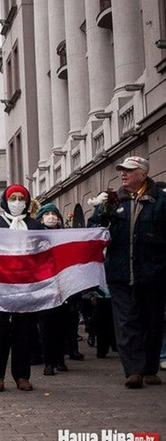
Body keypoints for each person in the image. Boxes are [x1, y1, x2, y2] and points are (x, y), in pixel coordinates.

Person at [88, 156, 166, 388]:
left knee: (152, 323)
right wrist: (100, 216)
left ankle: (150, 368)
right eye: (122, 170)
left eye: (130, 170)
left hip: (152, 274)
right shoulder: (111, 202)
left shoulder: (160, 201)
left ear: (143, 174)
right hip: (120, 275)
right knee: (125, 323)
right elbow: (94, 230)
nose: (124, 174)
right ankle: (133, 371)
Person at [0, 185, 44, 392]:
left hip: (26, 287)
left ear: (27, 202)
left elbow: (44, 254)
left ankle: (22, 375)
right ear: (5, 200)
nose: (17, 201)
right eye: (13, 197)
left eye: (21, 198)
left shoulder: (35, 225)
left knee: (24, 331)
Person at [35, 203, 70, 376]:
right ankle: (48, 361)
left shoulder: (64, 235)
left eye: (54, 213)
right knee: (46, 324)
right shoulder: (35, 236)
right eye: (47, 213)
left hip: (62, 284)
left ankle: (60, 359)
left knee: (61, 324)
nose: (51, 217)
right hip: (43, 285)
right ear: (41, 217)